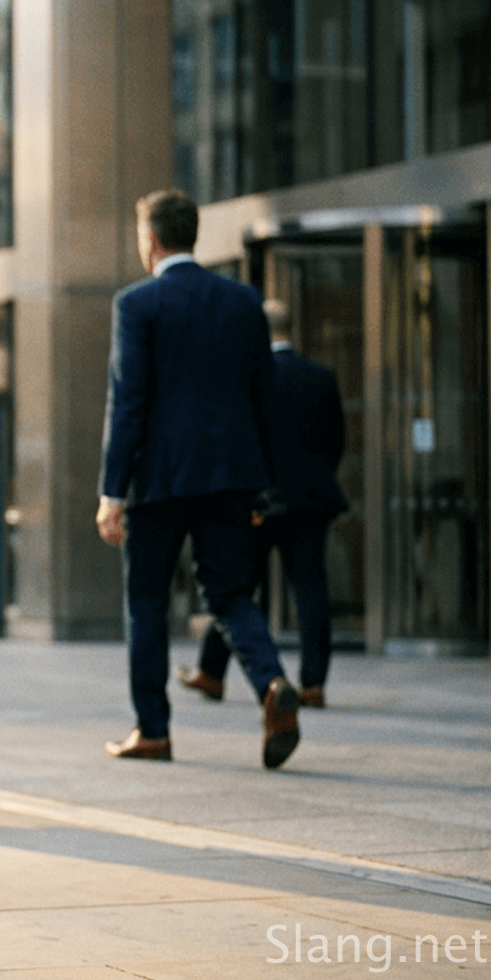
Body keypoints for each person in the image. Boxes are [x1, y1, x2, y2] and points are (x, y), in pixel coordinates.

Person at [97, 189, 302, 768]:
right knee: (230, 594)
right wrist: (265, 485)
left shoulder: (136, 304)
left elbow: (128, 402)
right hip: (230, 478)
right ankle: (270, 683)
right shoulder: (242, 301)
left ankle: (153, 731)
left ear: (151, 239)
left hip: (157, 481)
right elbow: (265, 397)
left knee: (147, 603)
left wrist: (112, 491)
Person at [178, 298, 347, 709]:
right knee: (310, 590)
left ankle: (211, 673)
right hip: (310, 501)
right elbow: (336, 441)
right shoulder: (320, 376)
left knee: (235, 589)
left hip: (258, 502)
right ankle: (313, 684)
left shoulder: (248, 378)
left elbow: (238, 443)